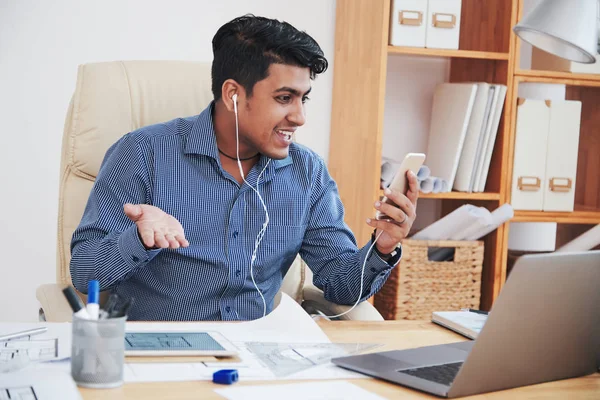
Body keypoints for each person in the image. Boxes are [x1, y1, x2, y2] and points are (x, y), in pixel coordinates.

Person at [70, 14, 419, 321]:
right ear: (233, 95)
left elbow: (340, 286)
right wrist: (140, 239)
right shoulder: (142, 153)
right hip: (163, 355)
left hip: (259, 356)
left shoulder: (307, 172)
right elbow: (84, 274)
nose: (299, 117)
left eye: (303, 98)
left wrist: (383, 245)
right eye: (284, 98)